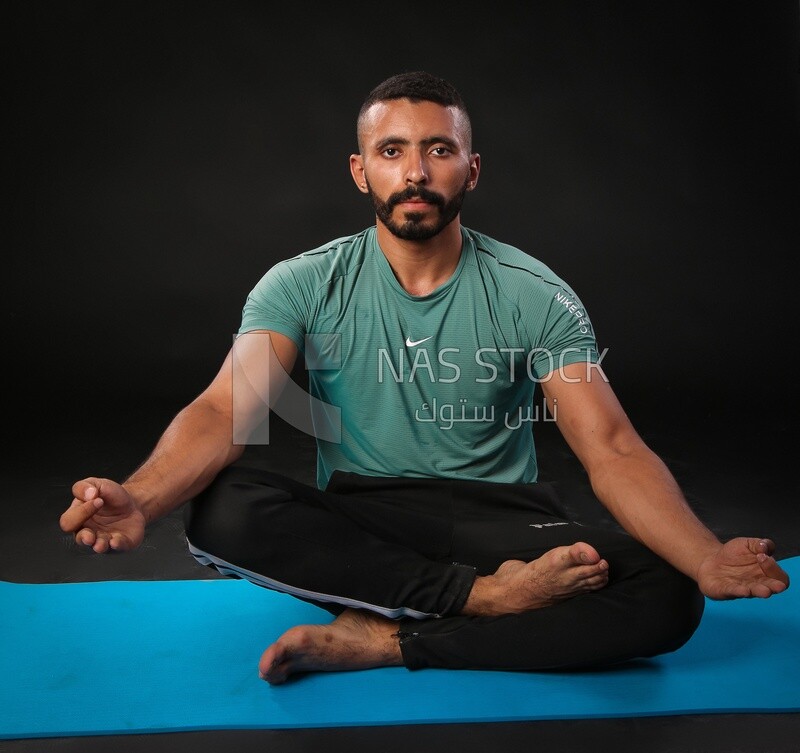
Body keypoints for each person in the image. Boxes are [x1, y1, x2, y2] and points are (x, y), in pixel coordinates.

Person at [60, 71, 789, 685]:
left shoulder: (532, 291)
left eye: (438, 149)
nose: (415, 172)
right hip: (370, 524)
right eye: (392, 151)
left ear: (471, 168)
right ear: (361, 170)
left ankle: (392, 640)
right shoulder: (303, 283)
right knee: (221, 506)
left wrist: (704, 554)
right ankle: (483, 602)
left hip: (499, 521)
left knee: (670, 593)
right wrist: (142, 497)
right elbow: (225, 410)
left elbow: (613, 447)